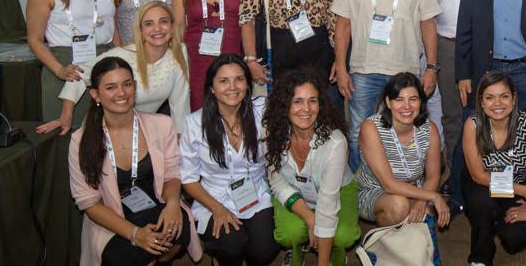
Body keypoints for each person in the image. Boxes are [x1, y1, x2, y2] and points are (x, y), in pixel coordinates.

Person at [330, 0, 442, 171]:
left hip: (405, 71)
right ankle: (362, 187)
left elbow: (428, 26)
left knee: (404, 132)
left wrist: (431, 68)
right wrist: (342, 68)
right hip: (363, 71)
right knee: (358, 132)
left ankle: (401, 182)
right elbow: (342, 27)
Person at [67, 56, 200, 266]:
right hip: (113, 218)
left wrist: (173, 204)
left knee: (177, 230)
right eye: (111, 87)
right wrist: (135, 234)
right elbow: (89, 203)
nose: (121, 93)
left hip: (157, 204)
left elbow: (172, 174)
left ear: (135, 87)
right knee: (132, 255)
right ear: (96, 94)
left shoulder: (162, 125)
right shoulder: (80, 141)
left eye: (127, 84)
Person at [421, 0, 496, 193]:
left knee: (488, 112)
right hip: (446, 44)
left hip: (483, 45)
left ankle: (486, 180)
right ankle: (455, 183)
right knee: (452, 116)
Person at [180, 55, 280, 266]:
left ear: (247, 84)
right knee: (231, 246)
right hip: (213, 196)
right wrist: (217, 208)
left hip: (255, 192)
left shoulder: (263, 111)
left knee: (264, 250)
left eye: (239, 79)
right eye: (223, 81)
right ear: (211, 87)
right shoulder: (194, 124)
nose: (233, 87)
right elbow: (188, 179)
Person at [40, 1, 191, 136]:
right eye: (149, 24)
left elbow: (180, 102)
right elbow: (79, 74)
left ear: (172, 27)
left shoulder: (179, 53)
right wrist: (66, 116)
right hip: (103, 132)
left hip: (142, 132)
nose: (157, 28)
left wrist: (181, 140)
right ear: (140, 31)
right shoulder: (123, 55)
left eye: (163, 21)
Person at [263, 69, 360, 266]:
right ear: (284, 104)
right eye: (297, 101)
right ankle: (296, 250)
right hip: (294, 190)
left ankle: (335, 253)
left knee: (343, 235)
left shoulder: (335, 142)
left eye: (313, 101)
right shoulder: (271, 133)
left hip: (337, 190)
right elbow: (278, 184)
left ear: (320, 104)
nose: (306, 109)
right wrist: (310, 219)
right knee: (289, 233)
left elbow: (327, 202)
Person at [27, 0, 120, 123]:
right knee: (68, 132)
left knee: (107, 130)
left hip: (105, 61)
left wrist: (121, 59)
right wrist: (60, 70)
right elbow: (34, 40)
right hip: (65, 65)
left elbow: (112, 27)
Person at [462, 71, 526, 265]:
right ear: (481, 102)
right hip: (484, 186)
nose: (497, 103)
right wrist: (524, 191)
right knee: (482, 204)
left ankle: (495, 220)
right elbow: (479, 176)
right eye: (490, 97)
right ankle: (480, 256)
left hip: (518, 182)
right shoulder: (473, 125)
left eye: (504, 96)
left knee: (516, 240)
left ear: (513, 99)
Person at [355, 72, 450, 229]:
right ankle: (386, 242)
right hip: (374, 190)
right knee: (399, 205)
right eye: (399, 100)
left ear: (421, 102)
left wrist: (422, 201)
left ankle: (409, 243)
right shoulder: (371, 128)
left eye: (413, 99)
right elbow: (389, 185)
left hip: (414, 190)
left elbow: (433, 176)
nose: (407, 106)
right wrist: (433, 196)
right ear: (388, 102)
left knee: (424, 213)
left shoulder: (429, 129)